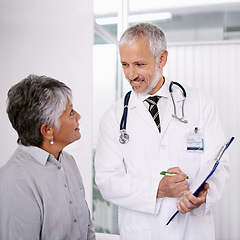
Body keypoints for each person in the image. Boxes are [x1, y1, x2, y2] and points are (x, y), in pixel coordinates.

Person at [95, 23, 230, 240]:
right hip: (141, 231)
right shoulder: (113, 117)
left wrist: (205, 192)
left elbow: (219, 161)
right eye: (125, 64)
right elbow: (107, 181)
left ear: (162, 59)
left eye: (139, 64)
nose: (131, 74)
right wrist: (157, 189)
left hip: (193, 230)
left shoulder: (200, 103)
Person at [0, 75, 96, 240]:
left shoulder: (68, 162)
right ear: (48, 130)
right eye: (71, 112)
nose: (78, 116)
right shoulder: (15, 182)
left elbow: (86, 229)